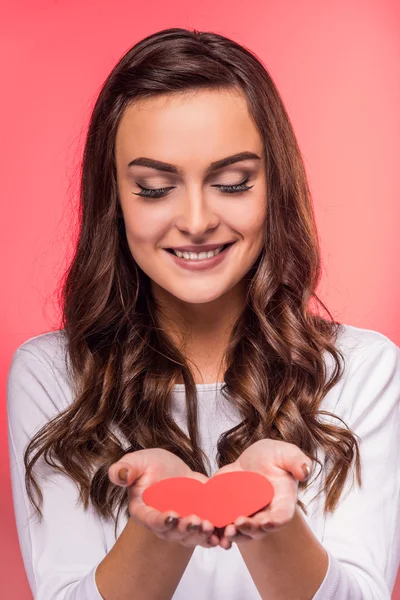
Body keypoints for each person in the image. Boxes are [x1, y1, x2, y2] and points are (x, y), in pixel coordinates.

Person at [6, 27, 400, 600]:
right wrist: (159, 526)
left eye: (232, 182)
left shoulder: (363, 369)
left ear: (274, 188)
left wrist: (270, 521)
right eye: (155, 188)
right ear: (114, 199)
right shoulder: (53, 377)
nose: (195, 220)